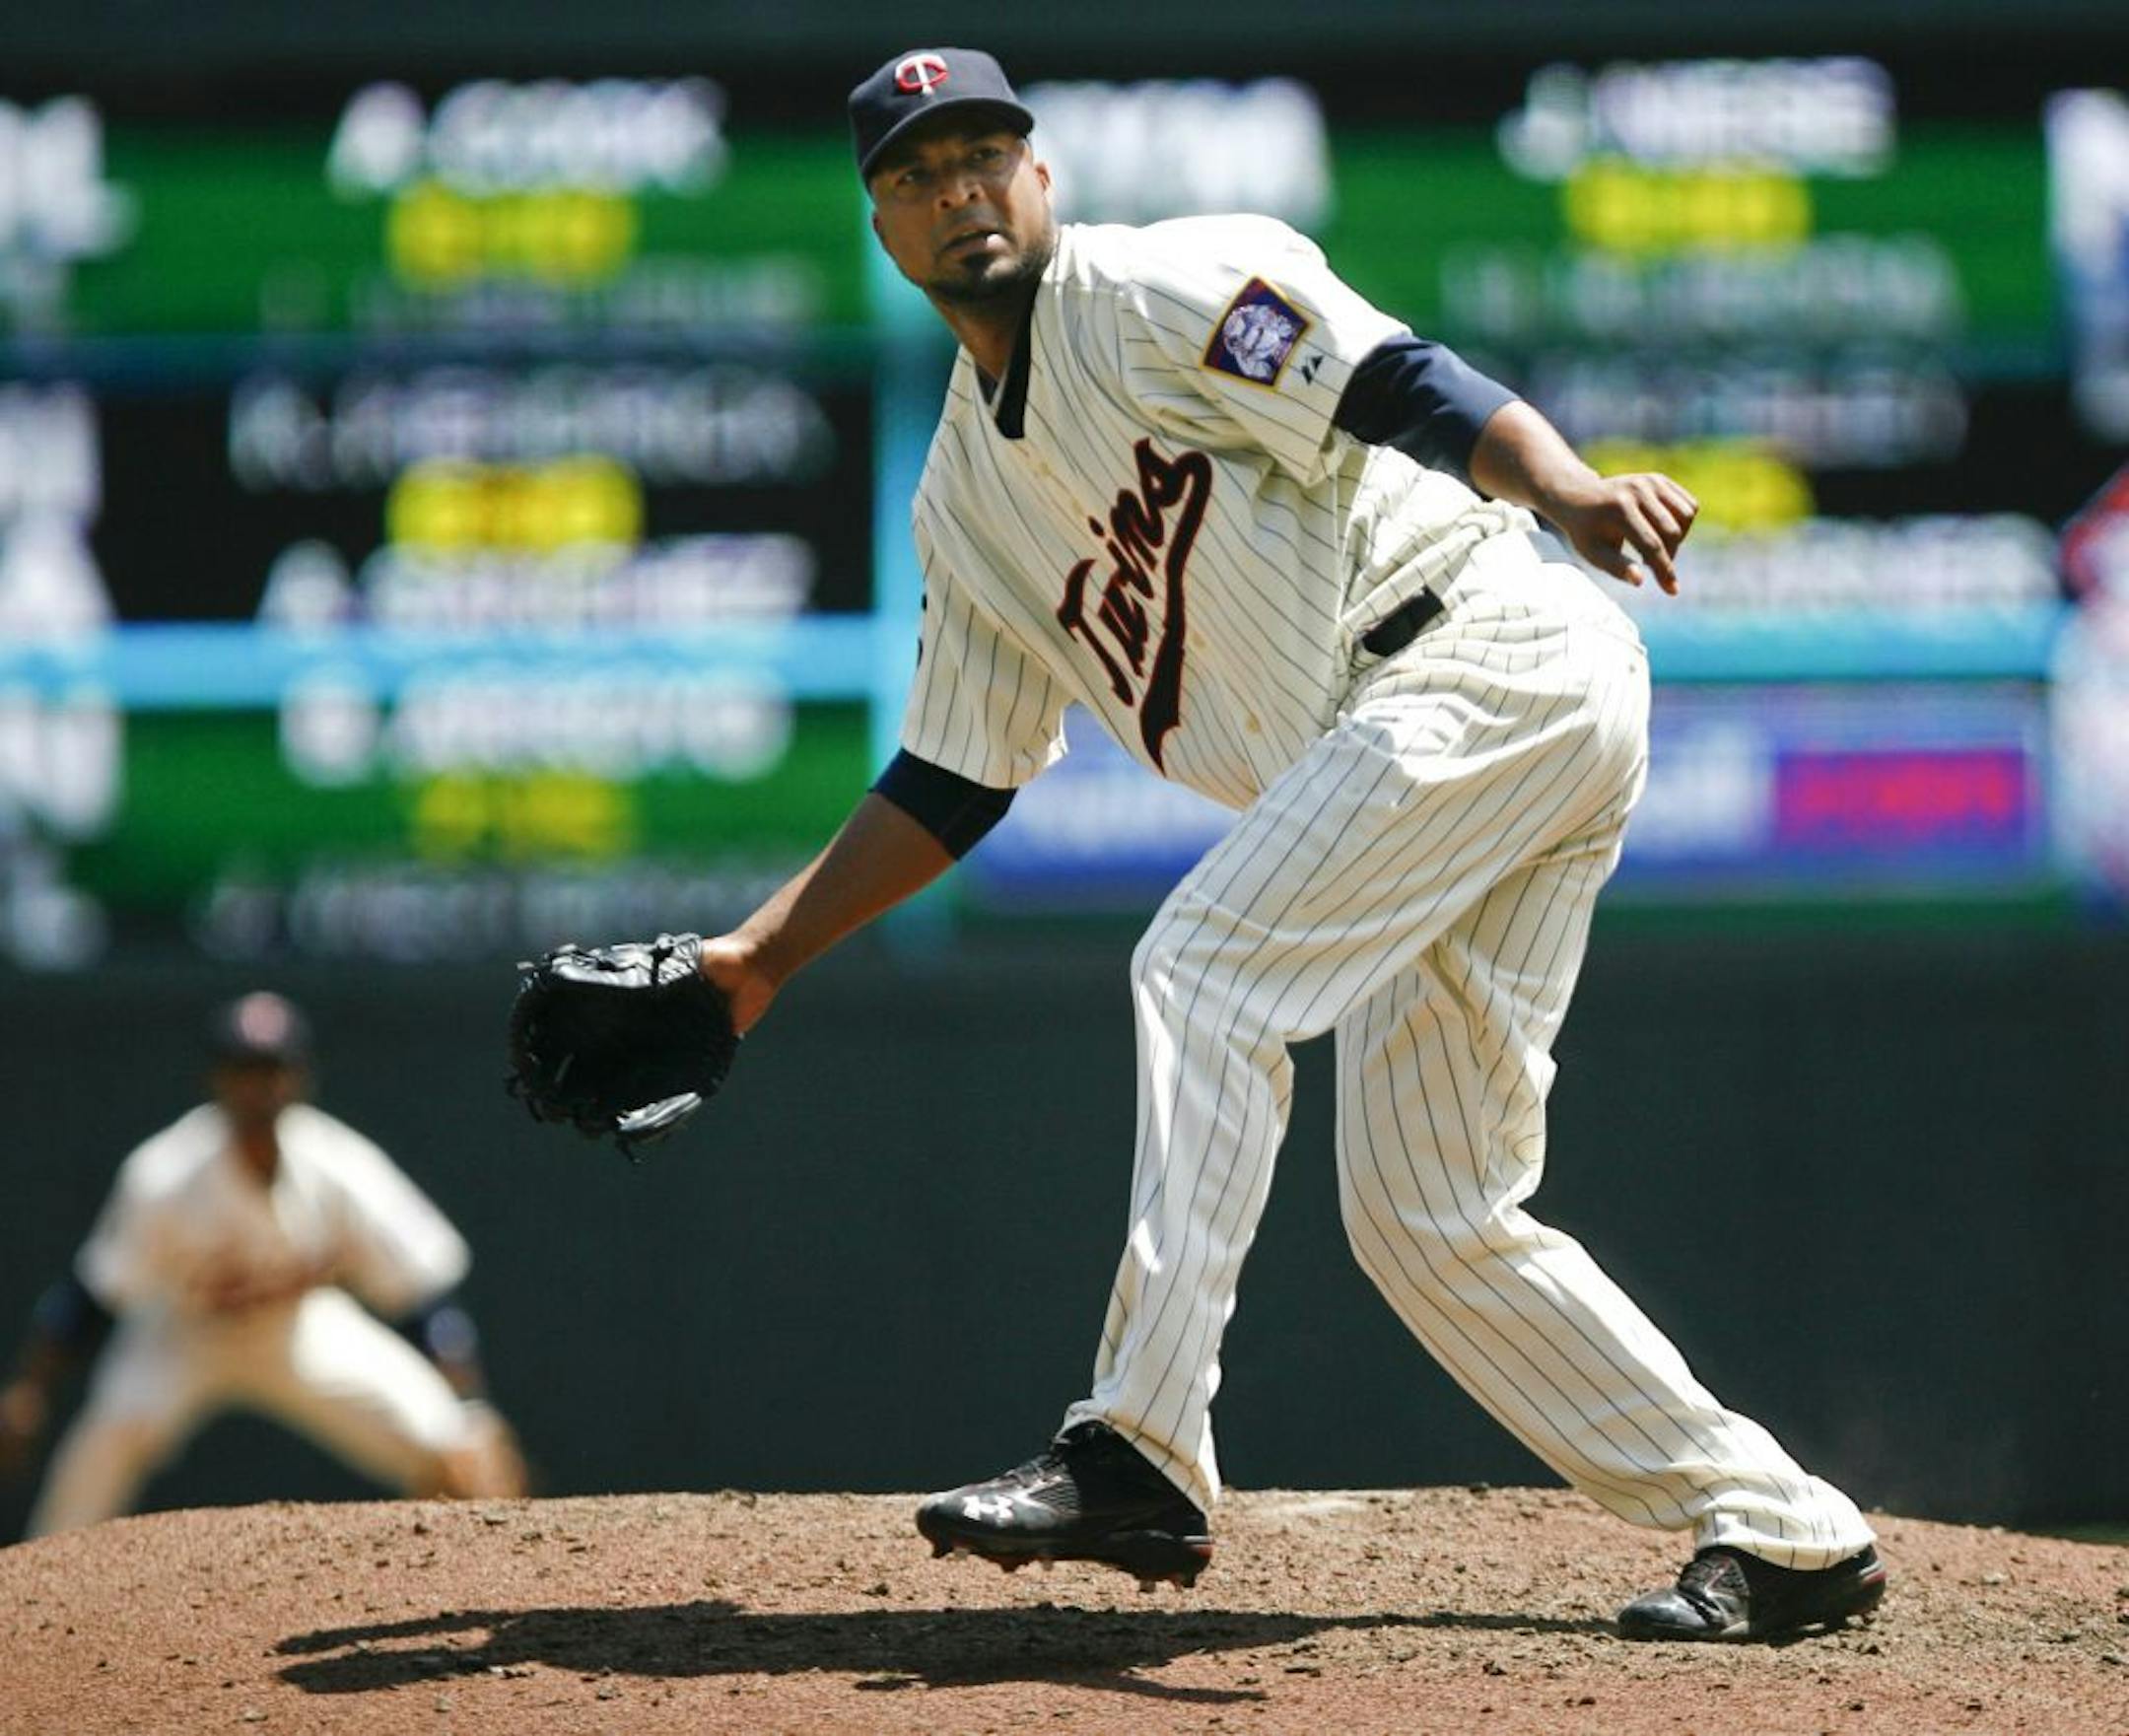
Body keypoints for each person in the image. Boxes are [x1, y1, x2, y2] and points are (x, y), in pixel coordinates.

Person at [690, 46, 1886, 1642]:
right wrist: (759, 958)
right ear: (883, 223)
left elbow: (1399, 381)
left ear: (1041, 175)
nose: (958, 191)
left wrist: (1567, 487)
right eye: (916, 173)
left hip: (1481, 652)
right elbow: (954, 776)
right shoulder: (964, 501)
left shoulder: (1153, 288)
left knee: (1205, 968)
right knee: (1429, 1212)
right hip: (1416, 745)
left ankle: (1139, 1446)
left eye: (983, 155)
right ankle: (1786, 1530)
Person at [0, 992, 525, 1537]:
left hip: (297, 1331)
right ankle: (41, 1576)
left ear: (299, 1077)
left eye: (271, 1069)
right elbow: (92, 1295)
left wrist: (471, 1405)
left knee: (455, 1444)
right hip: (183, 1333)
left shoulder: (339, 1165)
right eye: (243, 1069)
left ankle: (496, 1564)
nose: (258, 1086)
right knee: (108, 1443)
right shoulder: (164, 1175)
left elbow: (422, 1297)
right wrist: (29, 1388)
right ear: (216, 1079)